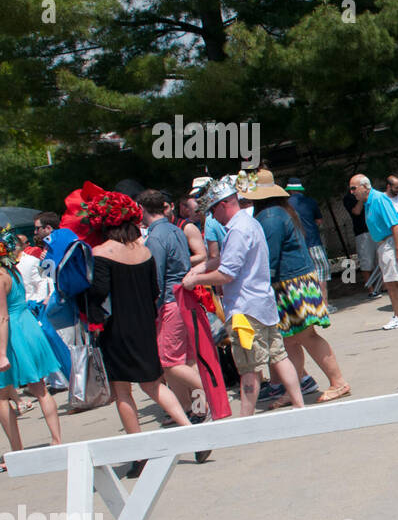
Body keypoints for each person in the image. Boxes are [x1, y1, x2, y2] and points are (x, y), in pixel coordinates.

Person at [82, 192, 208, 465]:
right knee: (154, 385)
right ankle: (191, 433)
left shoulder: (100, 253)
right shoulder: (145, 251)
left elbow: (99, 293)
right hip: (145, 325)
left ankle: (138, 455)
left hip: (116, 330)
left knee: (123, 392)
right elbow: (154, 290)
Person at [184, 175, 305, 416]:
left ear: (222, 205)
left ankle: (245, 419)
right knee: (278, 356)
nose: (211, 218)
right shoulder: (250, 224)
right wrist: (204, 266)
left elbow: (227, 274)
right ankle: (299, 405)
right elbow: (225, 261)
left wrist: (196, 279)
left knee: (249, 366)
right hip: (263, 303)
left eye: (212, 211)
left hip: (244, 310)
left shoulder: (237, 230)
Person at [251, 172, 351, 403]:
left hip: (290, 284)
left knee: (306, 336)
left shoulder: (269, 217)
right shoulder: (281, 211)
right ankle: (292, 390)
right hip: (295, 281)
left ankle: (338, 382)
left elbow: (270, 257)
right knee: (290, 340)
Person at [139, 190, 207, 422]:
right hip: (185, 296)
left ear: (142, 209)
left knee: (168, 361)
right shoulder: (176, 229)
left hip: (170, 300)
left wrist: (149, 307)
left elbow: (156, 277)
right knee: (186, 360)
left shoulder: (156, 237)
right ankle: (195, 408)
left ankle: (206, 393)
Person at [0, 229, 63, 468]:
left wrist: (2, 352)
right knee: (41, 389)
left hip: (14, 333)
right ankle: (57, 441)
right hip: (29, 326)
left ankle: (17, 453)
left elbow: (2, 318)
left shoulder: (0, 276)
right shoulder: (13, 272)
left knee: (2, 397)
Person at [348, 174, 398, 329]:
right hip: (384, 243)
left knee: (395, 281)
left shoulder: (378, 199)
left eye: (354, 188)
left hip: (392, 241)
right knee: (390, 283)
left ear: (365, 186)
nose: (352, 192)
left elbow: (394, 225)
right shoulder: (368, 202)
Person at [285, 177, 333, 313]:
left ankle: (309, 306)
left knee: (304, 277)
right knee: (321, 273)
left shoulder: (285, 205)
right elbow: (319, 221)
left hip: (297, 245)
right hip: (313, 241)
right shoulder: (310, 202)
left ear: (289, 190)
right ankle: (325, 305)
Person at [343, 181, 378, 296]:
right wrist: (361, 199)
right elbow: (356, 211)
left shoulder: (372, 195)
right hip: (362, 233)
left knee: (379, 260)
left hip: (374, 230)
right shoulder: (349, 198)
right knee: (366, 262)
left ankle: (383, 286)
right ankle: (370, 289)